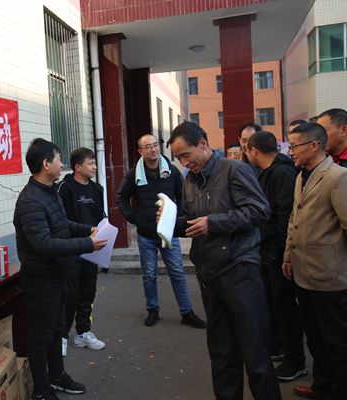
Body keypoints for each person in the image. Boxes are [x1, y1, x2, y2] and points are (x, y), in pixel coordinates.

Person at [166, 121, 280, 400]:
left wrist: (213, 223)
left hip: (240, 272)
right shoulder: (190, 180)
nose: (184, 163)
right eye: (179, 158)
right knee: (221, 355)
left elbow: (259, 210)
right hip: (210, 276)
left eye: (186, 155)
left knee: (256, 355)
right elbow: (193, 222)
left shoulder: (234, 170)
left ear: (203, 144)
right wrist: (169, 222)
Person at [13, 138, 107, 400]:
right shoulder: (31, 201)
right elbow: (43, 243)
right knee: (41, 334)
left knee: (57, 330)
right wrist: (87, 244)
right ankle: (41, 390)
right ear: (46, 164)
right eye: (58, 159)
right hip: (41, 278)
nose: (61, 163)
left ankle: (57, 376)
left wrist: (87, 229)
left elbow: (62, 223)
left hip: (58, 273)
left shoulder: (50, 191)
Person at [282, 122, 347, 400]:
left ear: (313, 146)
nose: (290, 151)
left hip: (330, 276)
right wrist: (288, 255)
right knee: (315, 338)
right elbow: (294, 218)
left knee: (336, 342)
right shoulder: (301, 176)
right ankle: (322, 386)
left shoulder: (338, 177)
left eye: (294, 145)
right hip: (303, 272)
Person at [117, 133, 205, 328]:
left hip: (169, 232)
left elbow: (183, 196)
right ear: (140, 151)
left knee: (177, 273)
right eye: (148, 146)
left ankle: (187, 312)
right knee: (149, 274)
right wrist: (135, 218)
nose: (153, 149)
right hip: (146, 234)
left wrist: (176, 217)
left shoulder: (171, 171)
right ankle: (152, 310)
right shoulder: (134, 174)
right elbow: (121, 197)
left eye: (156, 145)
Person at [245, 131, 307, 382]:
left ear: (254, 151)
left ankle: (296, 360)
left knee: (286, 306)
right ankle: (279, 346)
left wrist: (282, 253)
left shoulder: (282, 173)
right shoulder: (266, 172)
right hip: (268, 249)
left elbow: (286, 215)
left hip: (278, 252)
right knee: (273, 303)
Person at [58, 147, 106, 356]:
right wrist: (85, 232)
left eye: (95, 163)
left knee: (88, 292)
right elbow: (62, 221)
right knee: (70, 294)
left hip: (92, 249)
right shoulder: (64, 188)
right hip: (71, 249)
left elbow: (99, 217)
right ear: (78, 167)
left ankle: (83, 332)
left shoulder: (97, 189)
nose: (94, 167)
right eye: (90, 163)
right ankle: (62, 336)